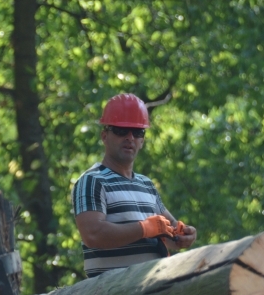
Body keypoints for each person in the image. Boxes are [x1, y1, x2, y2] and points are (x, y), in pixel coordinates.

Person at [72, 93, 197, 278]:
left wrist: (184, 235)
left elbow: (170, 232)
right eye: (121, 131)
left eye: (137, 132)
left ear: (142, 141)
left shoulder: (146, 185)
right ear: (105, 136)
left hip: (154, 289)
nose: (130, 137)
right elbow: (93, 235)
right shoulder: (92, 181)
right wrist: (144, 228)